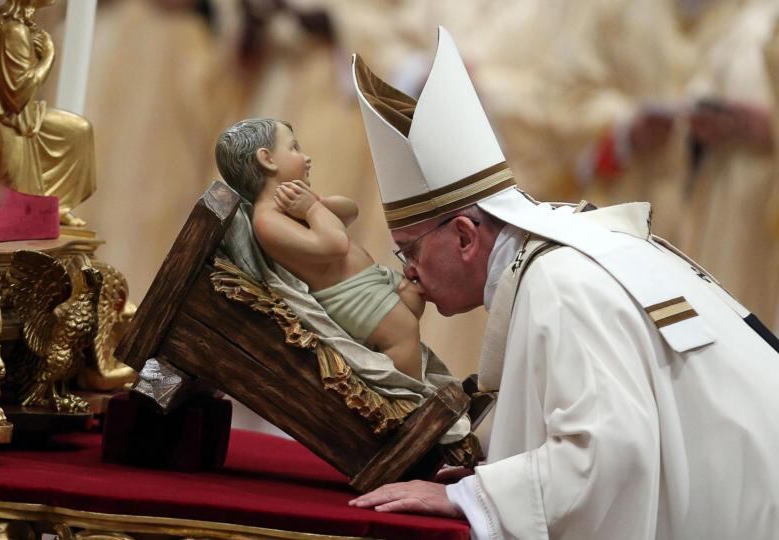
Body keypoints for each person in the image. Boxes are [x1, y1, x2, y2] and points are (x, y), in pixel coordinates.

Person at [347, 27, 779, 539]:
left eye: (411, 250)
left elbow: (609, 451)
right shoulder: (562, 252)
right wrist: (494, 477)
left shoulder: (560, 282)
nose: (408, 272)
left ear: (464, 235)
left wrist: (470, 497)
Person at [214, 118, 426, 379]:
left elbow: (350, 213)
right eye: (294, 148)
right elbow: (336, 245)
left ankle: (405, 367)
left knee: (413, 298)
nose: (306, 157)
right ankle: (410, 393)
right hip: (350, 295)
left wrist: (318, 202)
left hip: (369, 281)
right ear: (267, 159)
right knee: (403, 333)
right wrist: (312, 209)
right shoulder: (267, 220)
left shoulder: (294, 201)